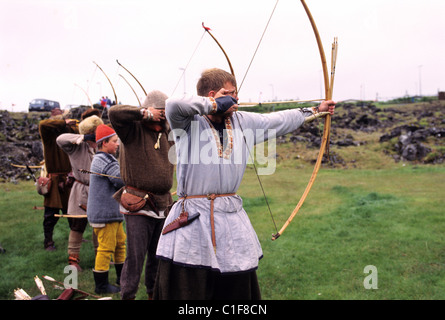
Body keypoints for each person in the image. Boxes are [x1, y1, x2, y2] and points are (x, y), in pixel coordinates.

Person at [153, 68, 336, 299]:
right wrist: (213, 105)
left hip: (230, 218)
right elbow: (173, 103)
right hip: (192, 219)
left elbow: (277, 120)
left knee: (235, 288)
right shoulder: (187, 123)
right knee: (191, 289)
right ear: (211, 95)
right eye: (228, 93)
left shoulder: (242, 121)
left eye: (236, 94)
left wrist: (315, 110)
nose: (235, 99)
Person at [108, 90, 174, 300]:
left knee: (158, 256)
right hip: (138, 203)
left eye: (166, 113)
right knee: (135, 257)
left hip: (163, 203)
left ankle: (153, 293)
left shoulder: (167, 132)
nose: (163, 117)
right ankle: (128, 296)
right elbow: (114, 112)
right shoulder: (131, 130)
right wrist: (144, 114)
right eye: (160, 113)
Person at [56, 110, 103, 271]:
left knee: (100, 225)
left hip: (98, 191)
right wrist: (83, 138)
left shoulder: (100, 146)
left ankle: (100, 256)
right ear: (89, 133)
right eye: (94, 133)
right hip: (81, 191)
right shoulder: (77, 146)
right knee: (78, 225)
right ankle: (73, 260)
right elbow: (60, 139)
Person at [86, 124, 126, 294]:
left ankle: (121, 277)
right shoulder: (103, 160)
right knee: (106, 248)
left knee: (120, 245)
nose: (117, 144)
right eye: (114, 141)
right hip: (104, 215)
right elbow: (121, 180)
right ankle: (101, 285)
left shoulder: (106, 158)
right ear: (104, 143)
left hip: (112, 214)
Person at [38, 108, 78, 251]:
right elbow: (43, 124)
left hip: (68, 179)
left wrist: (69, 125)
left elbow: (79, 129)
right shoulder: (48, 135)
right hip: (54, 180)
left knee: (72, 213)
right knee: (50, 215)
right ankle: (48, 242)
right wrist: (63, 122)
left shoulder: (68, 134)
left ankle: (76, 237)